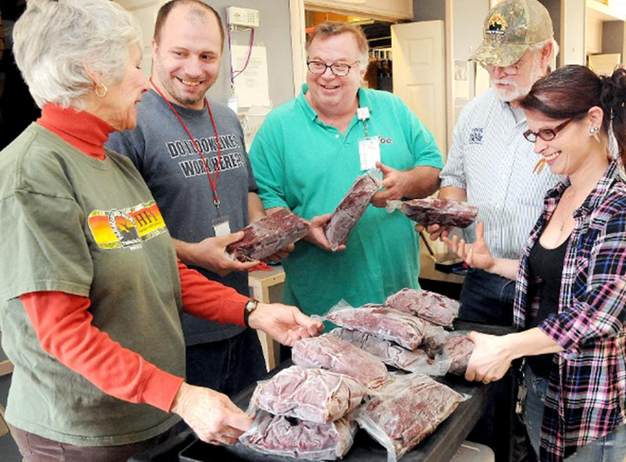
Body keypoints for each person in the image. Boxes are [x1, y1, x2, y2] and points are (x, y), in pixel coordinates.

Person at [0, 1, 322, 461]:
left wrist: (252, 312)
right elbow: (62, 333)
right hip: (85, 431)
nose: (141, 81)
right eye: (134, 65)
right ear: (95, 73)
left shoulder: (107, 161)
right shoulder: (32, 176)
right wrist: (182, 396)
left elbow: (160, 268)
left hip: (148, 410)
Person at [445, 65, 626, 462]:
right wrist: (493, 264)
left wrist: (507, 347)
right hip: (543, 384)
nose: (538, 147)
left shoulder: (618, 206)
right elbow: (554, 277)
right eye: (533, 134)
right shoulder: (559, 194)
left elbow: (599, 313)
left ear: (593, 120)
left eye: (549, 133)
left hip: (587, 400)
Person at [107, 0, 281, 396]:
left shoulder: (227, 117)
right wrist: (191, 252)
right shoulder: (129, 123)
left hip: (240, 317)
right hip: (172, 336)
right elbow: (118, 231)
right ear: (154, 48)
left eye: (207, 56)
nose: (193, 69)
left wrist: (265, 232)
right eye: (179, 53)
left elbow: (247, 190)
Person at [250, 21, 443, 317]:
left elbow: (433, 169)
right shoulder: (279, 126)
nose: (327, 76)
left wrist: (405, 182)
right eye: (317, 64)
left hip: (399, 300)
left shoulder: (393, 108)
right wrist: (302, 230)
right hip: (318, 312)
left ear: (361, 70)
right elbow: (266, 200)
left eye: (340, 66)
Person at [424, 0, 561, 326]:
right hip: (481, 275)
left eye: (511, 61)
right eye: (490, 61)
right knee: (474, 371)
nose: (498, 73)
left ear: (546, 53)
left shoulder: (575, 116)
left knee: (544, 376)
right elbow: (454, 179)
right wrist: (449, 214)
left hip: (549, 283)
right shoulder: (474, 113)